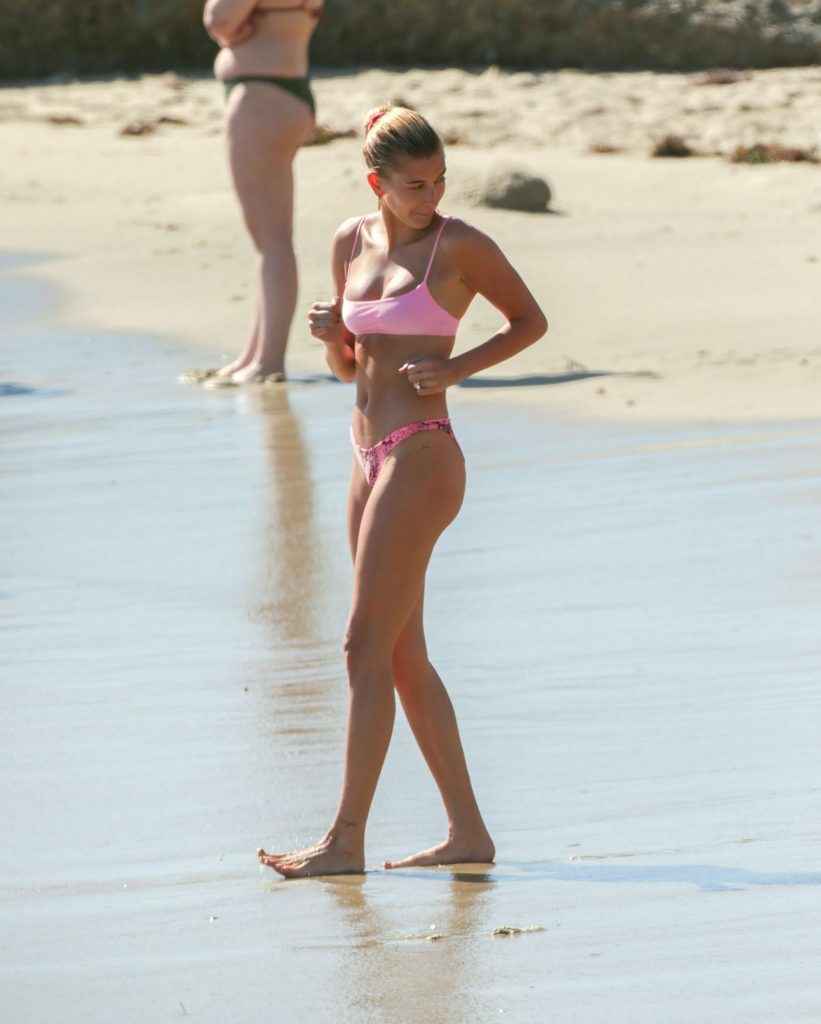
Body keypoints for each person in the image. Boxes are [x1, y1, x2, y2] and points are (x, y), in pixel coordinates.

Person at [258, 105, 548, 877]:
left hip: (422, 453)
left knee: (361, 645)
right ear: (375, 184)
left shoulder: (459, 245)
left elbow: (529, 321)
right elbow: (350, 370)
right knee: (399, 654)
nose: (431, 196)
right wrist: (333, 340)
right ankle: (468, 834)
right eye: (414, 185)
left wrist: (457, 367)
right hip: (366, 454)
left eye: (439, 180)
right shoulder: (348, 242)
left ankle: (344, 840)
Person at [201, 0, 322, 384]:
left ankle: (269, 361)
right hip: (288, 90)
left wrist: (229, 32)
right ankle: (254, 355)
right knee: (272, 241)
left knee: (272, 243)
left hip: (260, 99)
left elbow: (219, 19)